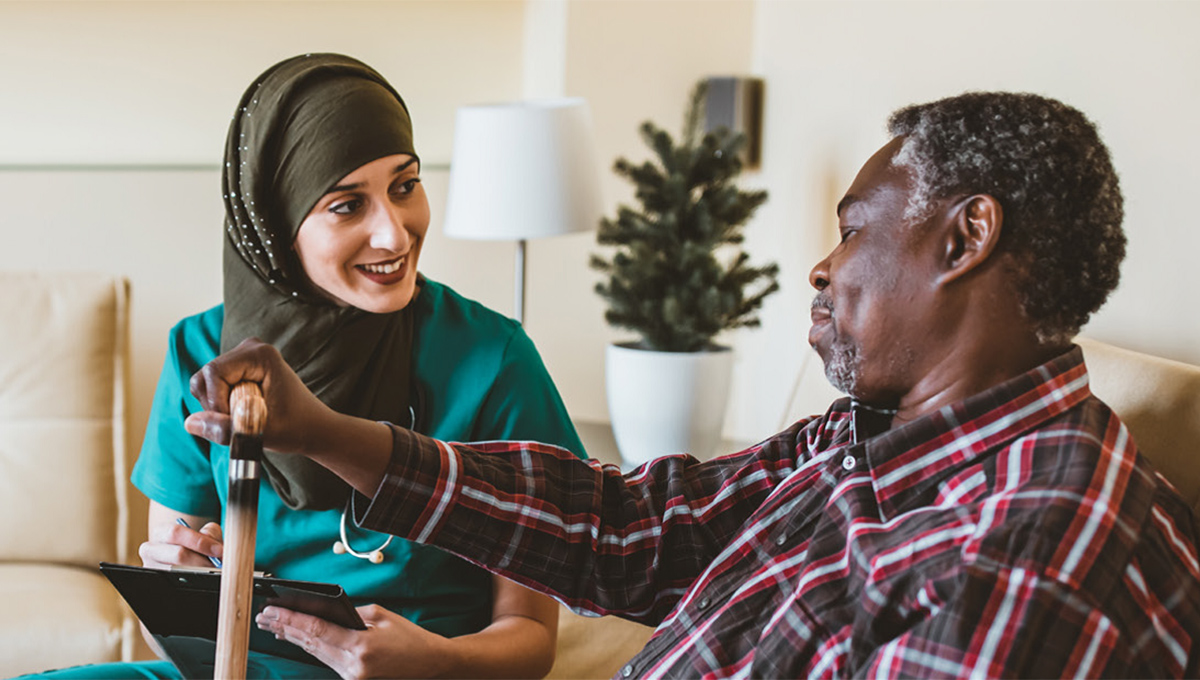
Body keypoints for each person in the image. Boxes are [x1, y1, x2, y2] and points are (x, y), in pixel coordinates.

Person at [185, 91, 1200, 677]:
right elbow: (633, 525)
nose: (821, 265)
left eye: (852, 228)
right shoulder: (863, 437)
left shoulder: (1033, 544)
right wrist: (326, 429)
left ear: (964, 237)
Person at [39, 53, 584, 679]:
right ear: (272, 223)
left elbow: (532, 639)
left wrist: (434, 660)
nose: (396, 235)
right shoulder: (200, 356)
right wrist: (181, 595)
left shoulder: (493, 360)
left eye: (405, 187)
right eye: (347, 206)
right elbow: (177, 640)